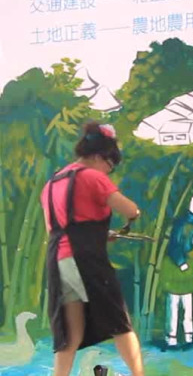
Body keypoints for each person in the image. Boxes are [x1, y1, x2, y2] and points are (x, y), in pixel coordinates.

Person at [40, 121, 145, 376]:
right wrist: (132, 215)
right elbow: (130, 210)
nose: (109, 171)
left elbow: (59, 227)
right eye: (110, 164)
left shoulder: (52, 183)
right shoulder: (92, 177)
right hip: (86, 260)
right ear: (99, 156)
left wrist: (100, 235)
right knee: (120, 322)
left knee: (70, 332)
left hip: (59, 260)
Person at [159, 186, 193, 347]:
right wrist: (180, 261)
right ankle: (171, 337)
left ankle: (188, 335)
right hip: (174, 267)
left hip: (192, 267)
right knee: (173, 303)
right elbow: (174, 244)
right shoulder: (181, 222)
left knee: (187, 304)